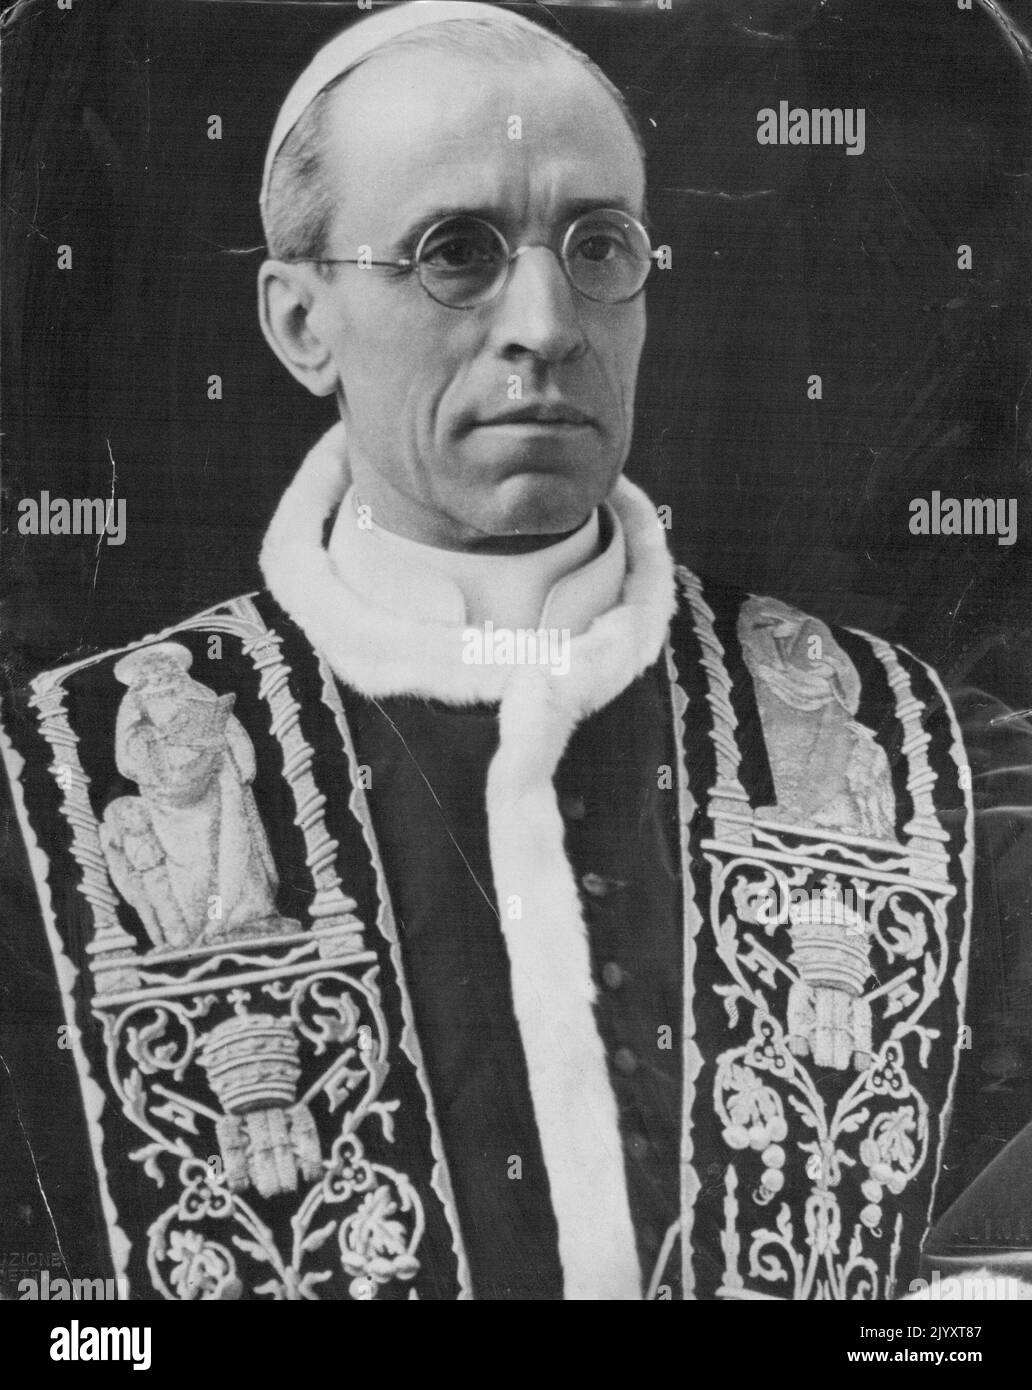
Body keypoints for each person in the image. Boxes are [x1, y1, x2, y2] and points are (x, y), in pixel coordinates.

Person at [2, 0, 1030, 1302]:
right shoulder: (47, 801)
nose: (546, 321)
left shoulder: (932, 759)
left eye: (598, 246)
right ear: (301, 321)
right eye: (456, 252)